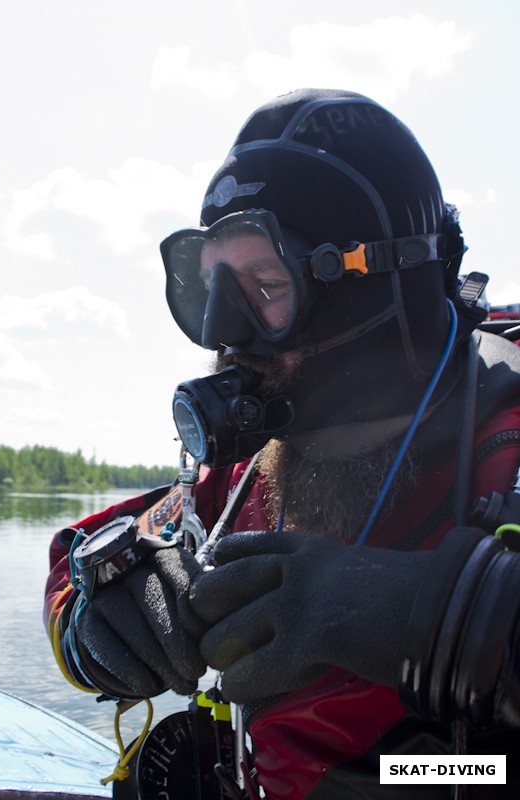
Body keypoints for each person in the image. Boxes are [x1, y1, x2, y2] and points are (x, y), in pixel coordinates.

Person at [44, 89, 520, 799]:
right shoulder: (245, 474)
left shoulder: (502, 436)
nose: (227, 334)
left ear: (381, 287)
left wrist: (427, 617)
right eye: (213, 289)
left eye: (267, 286)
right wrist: (98, 619)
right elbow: (81, 557)